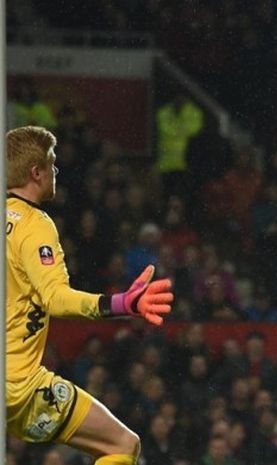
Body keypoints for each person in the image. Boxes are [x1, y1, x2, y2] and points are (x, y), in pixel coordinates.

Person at [6, 126, 174, 465]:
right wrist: (122, 303)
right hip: (18, 386)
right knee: (123, 446)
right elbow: (56, 299)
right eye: (51, 164)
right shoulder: (34, 225)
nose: (56, 171)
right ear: (35, 173)